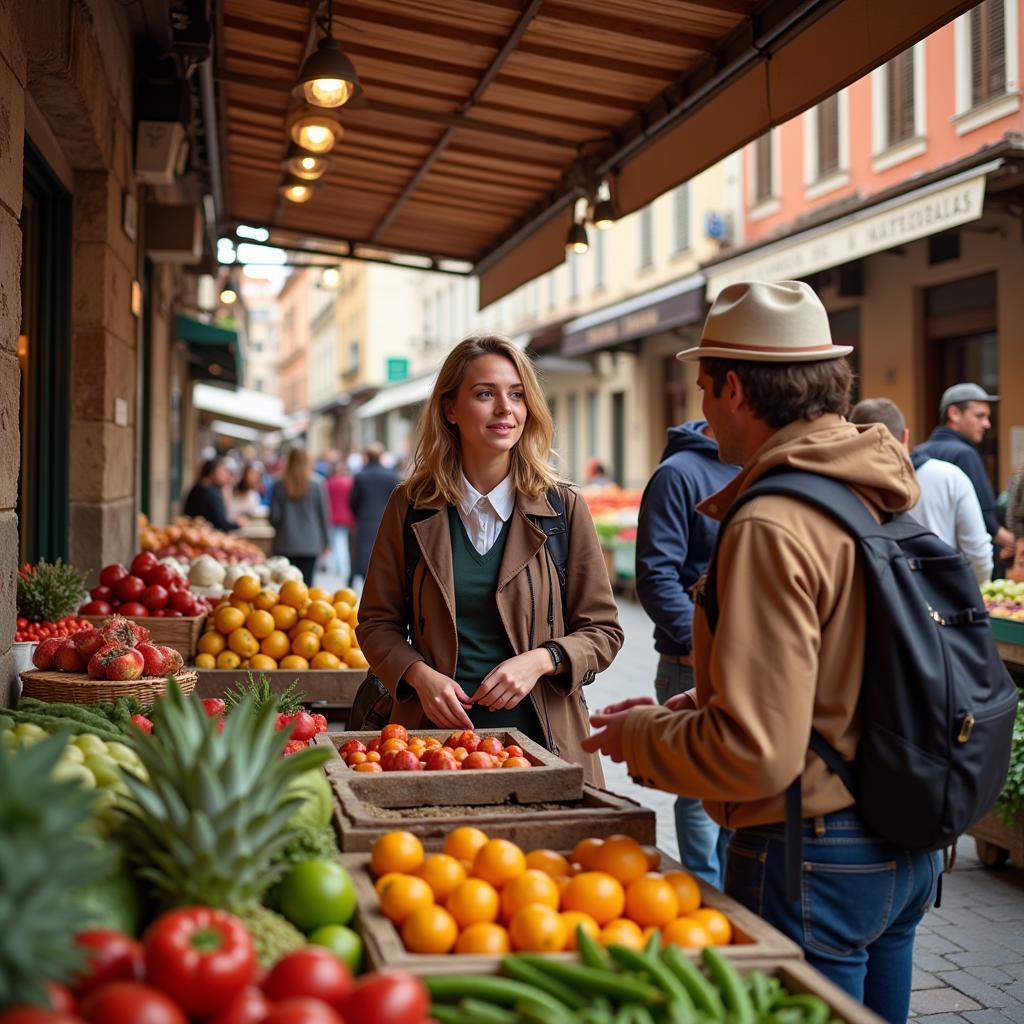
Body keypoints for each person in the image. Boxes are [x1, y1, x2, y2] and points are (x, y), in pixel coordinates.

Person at [583, 281, 939, 1023]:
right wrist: (697, 701)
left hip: (817, 846)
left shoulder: (772, 520)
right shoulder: (872, 487)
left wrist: (642, 736)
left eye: (704, 389)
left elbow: (755, 754)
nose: (702, 409)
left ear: (735, 388)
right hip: (906, 827)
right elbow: (845, 661)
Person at [356, 335, 623, 783]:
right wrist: (420, 676)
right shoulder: (410, 507)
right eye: (485, 394)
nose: (505, 408)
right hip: (431, 748)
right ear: (450, 410)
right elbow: (376, 624)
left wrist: (542, 659)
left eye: (517, 395)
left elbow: (604, 630)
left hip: (545, 743)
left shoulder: (563, 508)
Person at [635, 420, 738, 886]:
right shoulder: (678, 475)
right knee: (699, 794)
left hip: (746, 669)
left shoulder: (755, 466)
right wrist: (705, 648)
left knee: (741, 791)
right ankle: (704, 900)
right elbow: (656, 576)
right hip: (688, 667)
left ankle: (736, 904)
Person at [850, 398, 992, 585]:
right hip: (940, 596)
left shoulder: (841, 487)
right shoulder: (950, 477)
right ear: (905, 436)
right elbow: (978, 553)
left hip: (873, 600)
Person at [913, 383, 1014, 556]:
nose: (987, 424)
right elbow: (986, 521)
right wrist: (1015, 543)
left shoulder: (918, 452)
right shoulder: (965, 454)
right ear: (954, 413)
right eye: (980, 416)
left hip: (921, 559)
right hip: (958, 564)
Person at [269, 448, 331, 586]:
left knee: (285, 587)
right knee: (307, 585)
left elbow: (274, 517)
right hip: (310, 543)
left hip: (285, 541)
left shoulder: (279, 484)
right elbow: (323, 515)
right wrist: (326, 541)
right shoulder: (317, 483)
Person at [349, 442, 400, 589]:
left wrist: (359, 514)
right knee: (384, 554)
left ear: (367, 457)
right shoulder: (391, 476)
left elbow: (353, 501)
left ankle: (368, 584)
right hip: (386, 520)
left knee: (365, 556)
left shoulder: (361, 476)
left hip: (365, 520)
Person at [183, 457, 240, 532]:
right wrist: (238, 524)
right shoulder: (209, 492)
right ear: (213, 472)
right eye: (223, 471)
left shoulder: (200, 488)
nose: (226, 475)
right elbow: (222, 524)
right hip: (204, 536)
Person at [326, 460, 355, 584]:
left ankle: (338, 566)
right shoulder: (349, 483)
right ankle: (342, 567)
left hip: (332, 516)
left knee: (335, 542)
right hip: (346, 516)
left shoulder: (328, 483)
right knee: (342, 541)